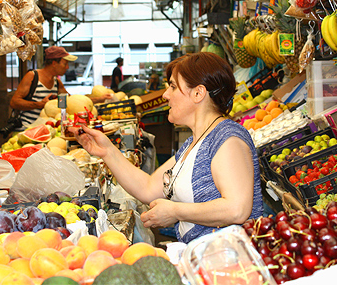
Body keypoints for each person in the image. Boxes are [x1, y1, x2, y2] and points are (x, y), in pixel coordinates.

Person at [72, 52, 261, 243]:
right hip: (204, 258)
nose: (165, 95)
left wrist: (175, 211)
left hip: (229, 262)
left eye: (172, 86)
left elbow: (237, 209)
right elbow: (147, 188)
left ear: (198, 93)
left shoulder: (227, 140)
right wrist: (107, 151)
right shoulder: (194, 143)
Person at [10, 46, 76, 129]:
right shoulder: (32, 76)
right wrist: (40, 104)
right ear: (54, 63)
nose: (67, 67)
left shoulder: (57, 82)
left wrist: (95, 99)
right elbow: (14, 102)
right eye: (65, 64)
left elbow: (72, 101)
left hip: (47, 129)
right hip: (26, 128)